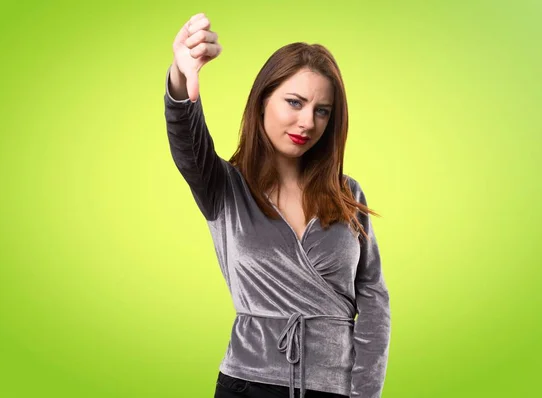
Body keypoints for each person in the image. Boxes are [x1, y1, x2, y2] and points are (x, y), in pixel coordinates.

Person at [164, 12, 391, 398]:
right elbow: (187, 141)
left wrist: (364, 393)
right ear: (263, 100)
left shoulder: (347, 194)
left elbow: (373, 300)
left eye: (322, 111)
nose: (307, 122)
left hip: (334, 388)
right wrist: (181, 76)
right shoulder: (224, 187)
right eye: (294, 102)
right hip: (246, 384)